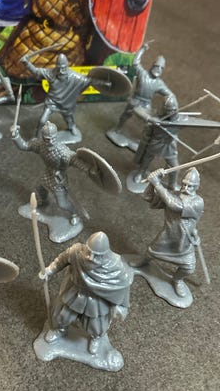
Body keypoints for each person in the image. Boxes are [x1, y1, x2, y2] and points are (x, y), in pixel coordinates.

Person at [39, 231, 133, 355]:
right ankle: (59, 330)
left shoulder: (115, 265)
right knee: (63, 315)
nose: (91, 258)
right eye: (89, 252)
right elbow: (60, 261)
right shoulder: (75, 252)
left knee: (96, 324)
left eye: (97, 255)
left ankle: (96, 338)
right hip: (75, 292)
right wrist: (49, 271)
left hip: (97, 299)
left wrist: (119, 305)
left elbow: (122, 284)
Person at [11, 121, 90, 225]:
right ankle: (43, 202)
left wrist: (87, 169)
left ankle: (74, 214)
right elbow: (25, 146)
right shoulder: (40, 145)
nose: (51, 142)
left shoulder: (62, 151)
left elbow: (74, 160)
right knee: (40, 189)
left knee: (62, 204)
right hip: (48, 173)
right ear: (43, 138)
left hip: (59, 179)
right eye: (48, 139)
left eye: (53, 138)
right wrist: (16, 136)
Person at [143, 167, 204, 297]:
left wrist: (158, 184)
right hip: (167, 236)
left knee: (188, 267)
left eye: (190, 186)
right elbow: (147, 197)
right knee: (151, 252)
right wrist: (152, 182)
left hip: (184, 241)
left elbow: (175, 205)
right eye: (184, 184)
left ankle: (177, 280)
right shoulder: (172, 195)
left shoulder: (198, 201)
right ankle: (143, 263)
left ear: (197, 186)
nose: (186, 188)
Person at [21, 52, 108, 138]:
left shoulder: (75, 77)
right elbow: (37, 72)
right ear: (56, 67)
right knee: (42, 120)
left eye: (63, 68)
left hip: (66, 104)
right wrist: (27, 63)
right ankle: (38, 136)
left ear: (67, 66)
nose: (61, 71)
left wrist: (105, 83)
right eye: (59, 68)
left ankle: (72, 127)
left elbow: (90, 80)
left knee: (69, 119)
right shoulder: (51, 74)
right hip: (51, 102)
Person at [112, 43, 173, 136]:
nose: (158, 69)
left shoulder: (160, 84)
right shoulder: (142, 74)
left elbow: (169, 94)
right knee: (125, 116)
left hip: (146, 105)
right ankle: (117, 129)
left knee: (149, 122)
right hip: (135, 100)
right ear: (153, 65)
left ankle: (143, 138)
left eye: (161, 68)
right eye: (157, 66)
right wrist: (142, 49)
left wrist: (171, 105)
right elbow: (135, 63)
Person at [131, 94, 180, 190]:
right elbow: (137, 109)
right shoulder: (156, 116)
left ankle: (172, 184)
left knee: (174, 166)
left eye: (173, 110)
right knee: (146, 160)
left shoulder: (180, 119)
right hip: (155, 144)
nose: (170, 112)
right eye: (168, 110)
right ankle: (140, 173)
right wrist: (149, 119)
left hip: (169, 146)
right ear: (164, 109)